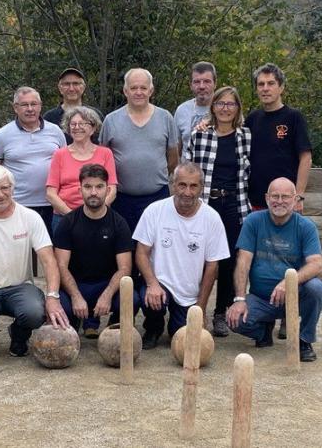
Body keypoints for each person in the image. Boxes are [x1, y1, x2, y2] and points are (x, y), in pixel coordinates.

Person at [0, 165, 69, 358]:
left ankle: (19, 335)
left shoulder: (30, 217)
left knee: (36, 313)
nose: (0, 194)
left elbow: (49, 261)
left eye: (5, 188)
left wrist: (52, 297)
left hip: (20, 286)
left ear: (12, 188)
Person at [245, 62, 313, 339]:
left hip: (285, 202)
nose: (265, 88)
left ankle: (288, 313)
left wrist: (298, 195)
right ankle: (265, 316)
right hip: (256, 202)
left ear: (281, 87)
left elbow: (305, 157)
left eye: (270, 83)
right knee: (258, 261)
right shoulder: (252, 119)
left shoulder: (294, 118)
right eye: (260, 84)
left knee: (289, 256)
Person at [226, 177, 322, 362]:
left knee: (316, 288)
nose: (279, 201)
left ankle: (304, 340)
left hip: (293, 296)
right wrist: (239, 299)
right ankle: (263, 331)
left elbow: (317, 264)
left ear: (295, 199)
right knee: (235, 320)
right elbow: (243, 262)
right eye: (275, 196)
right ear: (266, 198)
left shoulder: (306, 226)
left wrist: (289, 282)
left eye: (285, 197)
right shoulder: (253, 221)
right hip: (261, 297)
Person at [133, 163, 229, 349]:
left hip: (188, 292)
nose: (187, 192)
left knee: (182, 339)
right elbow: (141, 253)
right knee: (152, 300)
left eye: (193, 186)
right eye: (182, 185)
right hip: (160, 284)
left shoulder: (212, 218)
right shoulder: (155, 210)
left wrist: (200, 308)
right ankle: (153, 327)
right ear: (173, 185)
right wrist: (152, 284)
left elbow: (212, 267)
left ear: (201, 187)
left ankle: (175, 325)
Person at [185, 86, 251, 338]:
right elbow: (186, 167)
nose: (225, 109)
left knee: (228, 260)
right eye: (220, 104)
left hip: (234, 204)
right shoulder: (199, 135)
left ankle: (220, 312)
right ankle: (193, 308)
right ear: (212, 107)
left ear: (237, 109)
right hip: (205, 204)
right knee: (199, 257)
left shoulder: (245, 137)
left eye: (230, 104)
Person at [54, 164, 140, 339]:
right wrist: (76, 296)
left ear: (108, 190)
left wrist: (107, 295)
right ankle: (77, 320)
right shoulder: (68, 222)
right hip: (76, 284)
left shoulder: (119, 223)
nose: (93, 192)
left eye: (99, 187)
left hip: (106, 284)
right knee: (59, 306)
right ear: (80, 190)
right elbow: (61, 266)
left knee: (132, 298)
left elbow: (125, 269)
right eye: (88, 187)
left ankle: (114, 329)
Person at [99, 68, 180, 233]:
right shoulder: (111, 120)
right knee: (123, 249)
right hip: (121, 200)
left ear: (151, 90)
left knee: (157, 246)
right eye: (134, 88)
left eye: (143, 88)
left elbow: (173, 159)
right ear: (125, 91)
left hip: (158, 197)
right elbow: (103, 159)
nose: (138, 92)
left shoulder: (165, 118)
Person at [0, 86, 66, 233]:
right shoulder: (3, 135)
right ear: (15, 108)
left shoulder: (56, 131)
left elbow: (66, 164)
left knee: (50, 251)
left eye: (34, 104)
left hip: (52, 205)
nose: (30, 109)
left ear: (40, 106)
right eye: (24, 105)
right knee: (21, 252)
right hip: (17, 205)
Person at [46, 106, 117, 234]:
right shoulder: (59, 155)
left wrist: (95, 213)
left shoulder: (105, 153)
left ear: (93, 128)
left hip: (99, 217)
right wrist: (74, 217)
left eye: (82, 123)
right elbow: (51, 194)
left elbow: (112, 190)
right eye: (73, 124)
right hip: (64, 218)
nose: (77, 127)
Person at [43, 67, 104, 144]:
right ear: (60, 88)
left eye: (76, 84)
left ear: (83, 87)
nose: (71, 88)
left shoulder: (95, 115)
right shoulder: (49, 118)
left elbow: (102, 143)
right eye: (66, 84)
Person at [174, 61, 216, 152]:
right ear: (191, 85)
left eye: (207, 81)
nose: (201, 86)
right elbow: (176, 149)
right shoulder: (182, 110)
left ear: (215, 84)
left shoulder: (225, 110)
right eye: (197, 82)